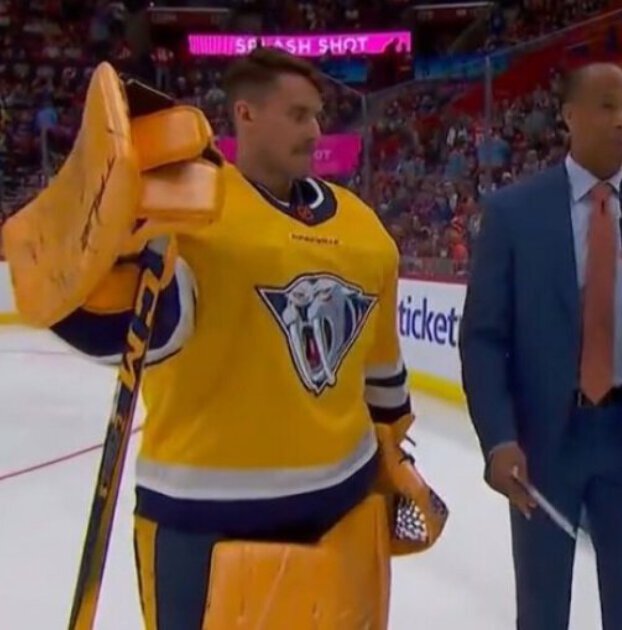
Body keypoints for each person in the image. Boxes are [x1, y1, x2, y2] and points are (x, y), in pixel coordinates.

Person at [37, 47, 446, 628]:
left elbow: (383, 377)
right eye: (298, 115)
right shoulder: (187, 216)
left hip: (342, 512)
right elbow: (122, 334)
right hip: (205, 519)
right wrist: (80, 251)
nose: (315, 130)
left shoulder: (366, 231)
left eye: (317, 114)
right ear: (245, 114)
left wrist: (391, 453)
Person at [459, 62, 622, 630]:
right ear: (569, 116)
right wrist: (498, 438)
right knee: (542, 607)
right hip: (544, 442)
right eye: (607, 106)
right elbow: (483, 338)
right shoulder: (514, 213)